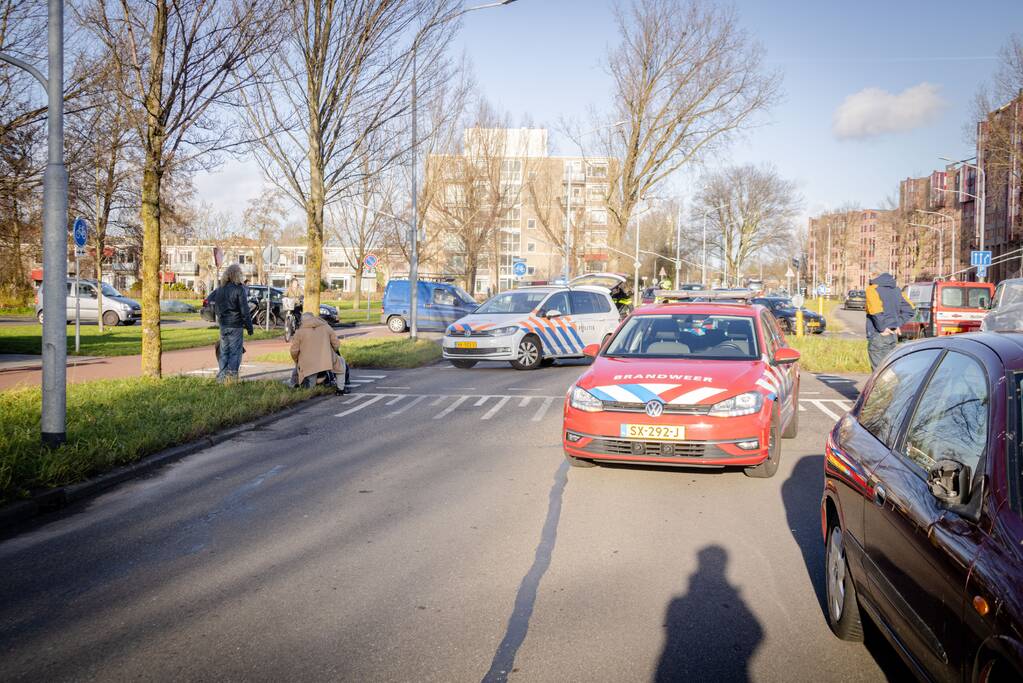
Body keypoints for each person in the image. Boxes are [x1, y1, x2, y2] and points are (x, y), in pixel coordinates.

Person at [865, 262, 914, 370]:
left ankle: (889, 387)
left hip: (878, 335)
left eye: (869, 274)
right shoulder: (897, 290)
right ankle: (895, 387)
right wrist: (897, 324)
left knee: (879, 374)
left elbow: (875, 311)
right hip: (892, 336)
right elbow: (910, 309)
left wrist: (883, 328)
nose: (868, 277)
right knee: (889, 370)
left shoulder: (872, 289)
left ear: (874, 274)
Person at [212, 263, 253, 382]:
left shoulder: (220, 289)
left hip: (224, 325)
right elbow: (244, 310)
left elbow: (217, 308)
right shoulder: (239, 289)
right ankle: (232, 378)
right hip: (236, 325)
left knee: (224, 351)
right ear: (237, 275)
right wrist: (249, 327)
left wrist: (221, 320)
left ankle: (221, 378)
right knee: (235, 352)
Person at [290, 311, 348, 393]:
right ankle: (340, 389)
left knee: (299, 371)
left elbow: (294, 351)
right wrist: (332, 352)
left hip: (308, 364)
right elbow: (336, 344)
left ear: (302, 321)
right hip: (326, 360)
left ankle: (295, 385)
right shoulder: (326, 327)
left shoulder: (299, 332)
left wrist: (296, 360)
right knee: (341, 364)